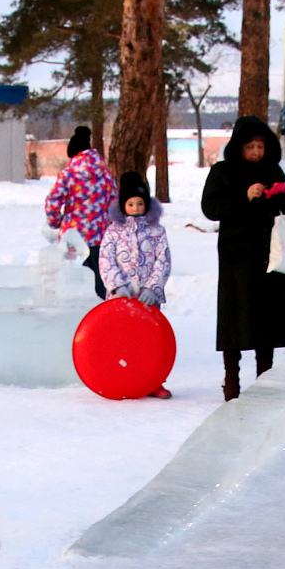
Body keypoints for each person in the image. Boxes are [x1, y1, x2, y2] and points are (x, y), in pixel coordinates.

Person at [202, 116, 285, 401]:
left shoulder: (273, 169)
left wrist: (278, 195)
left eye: (260, 146)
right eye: (250, 146)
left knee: (267, 318)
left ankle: (265, 377)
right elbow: (210, 207)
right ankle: (231, 379)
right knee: (236, 318)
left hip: (271, 254)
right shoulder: (223, 171)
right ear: (239, 147)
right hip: (237, 256)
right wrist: (244, 196)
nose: (257, 152)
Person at [102, 170, 175, 399]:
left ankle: (153, 381)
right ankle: (122, 379)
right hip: (120, 299)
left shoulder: (157, 232)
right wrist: (117, 286)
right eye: (131, 204)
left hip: (147, 301)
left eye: (140, 203)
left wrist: (152, 288)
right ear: (123, 206)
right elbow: (105, 260)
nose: (135, 208)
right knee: (122, 340)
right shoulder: (114, 232)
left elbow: (163, 261)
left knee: (149, 342)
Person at [44, 125, 116, 298]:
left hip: (73, 239)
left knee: (72, 283)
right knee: (99, 283)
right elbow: (115, 204)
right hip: (100, 239)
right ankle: (101, 319)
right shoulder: (106, 174)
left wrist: (55, 222)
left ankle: (74, 320)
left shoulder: (68, 174)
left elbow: (53, 202)